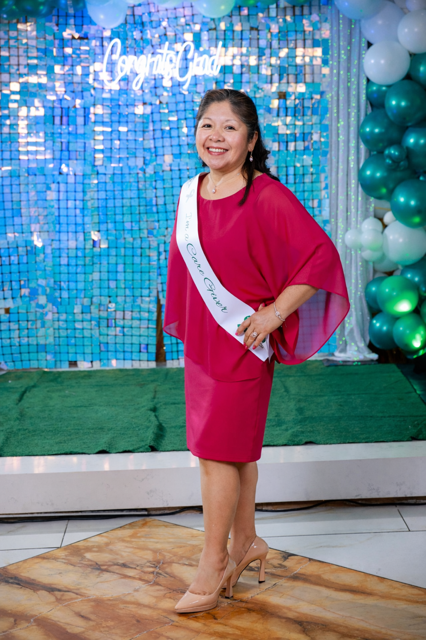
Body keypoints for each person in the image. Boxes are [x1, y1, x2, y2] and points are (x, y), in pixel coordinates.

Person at [164, 88, 349, 614]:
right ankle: (246, 543)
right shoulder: (191, 192)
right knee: (228, 450)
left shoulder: (265, 195)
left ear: (251, 141)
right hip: (205, 339)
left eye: (229, 127)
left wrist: (274, 315)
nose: (215, 136)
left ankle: (212, 561)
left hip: (242, 341)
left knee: (217, 453)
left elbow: (320, 257)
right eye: (207, 125)